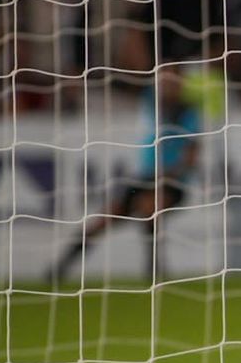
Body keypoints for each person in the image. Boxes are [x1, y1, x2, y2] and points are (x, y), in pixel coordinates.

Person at [50, 62, 200, 282]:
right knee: (103, 219)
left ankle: (155, 271)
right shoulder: (150, 101)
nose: (166, 85)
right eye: (162, 79)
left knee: (151, 208)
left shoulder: (188, 113)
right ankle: (59, 269)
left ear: (181, 84)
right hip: (143, 178)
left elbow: (192, 155)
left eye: (171, 80)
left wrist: (170, 174)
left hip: (172, 181)